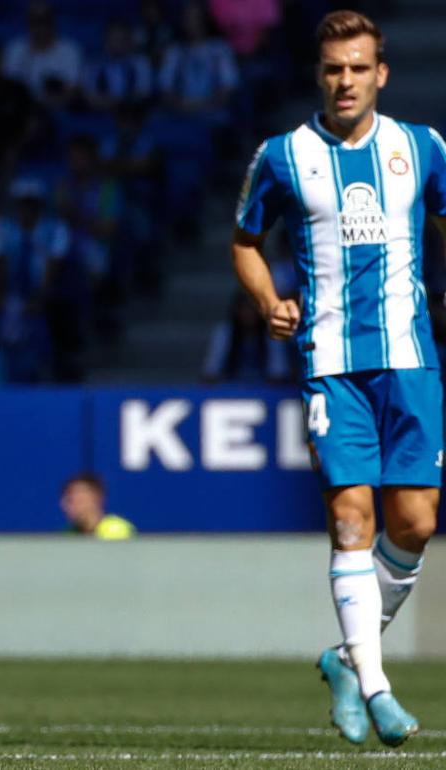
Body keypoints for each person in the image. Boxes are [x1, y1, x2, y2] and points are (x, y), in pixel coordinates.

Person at [232, 10, 441, 747]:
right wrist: (268, 301)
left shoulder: (422, 148)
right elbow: (246, 242)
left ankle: (346, 657)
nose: (344, 80)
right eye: (332, 69)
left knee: (415, 523)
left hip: (411, 358)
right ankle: (378, 685)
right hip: (329, 363)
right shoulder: (285, 155)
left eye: (357, 68)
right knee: (353, 518)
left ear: (380, 72)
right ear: (318, 75)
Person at [59, 474, 135, 540]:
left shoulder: (118, 531)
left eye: (72, 500)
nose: (65, 505)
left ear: (96, 498)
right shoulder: (68, 533)